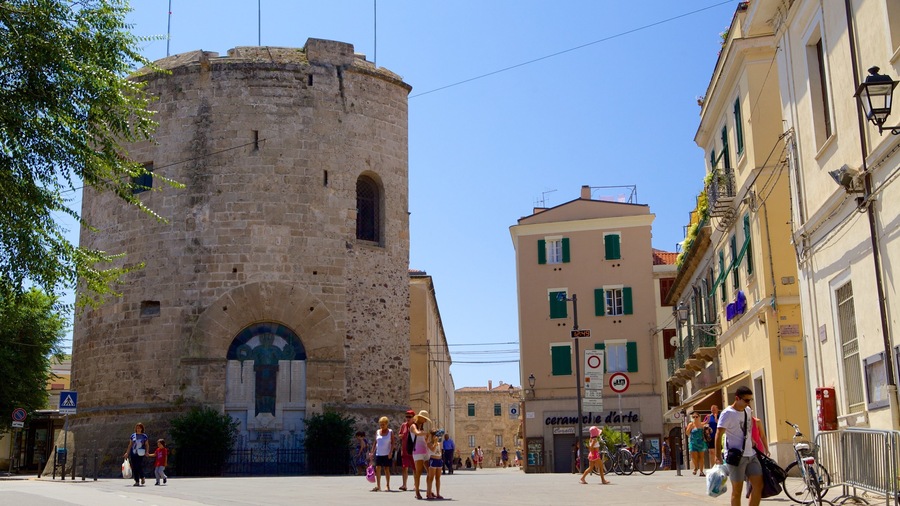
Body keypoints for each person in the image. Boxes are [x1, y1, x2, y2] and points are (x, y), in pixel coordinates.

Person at [714, 386, 763, 506]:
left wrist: (751, 439)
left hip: (751, 454)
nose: (748, 403)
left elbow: (746, 429)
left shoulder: (747, 411)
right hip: (736, 457)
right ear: (737, 398)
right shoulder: (727, 413)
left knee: (758, 485)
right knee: (737, 491)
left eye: (750, 400)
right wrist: (718, 456)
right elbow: (718, 434)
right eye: (746, 400)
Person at [410, 410, 431, 500]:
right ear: (420, 417)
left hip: (425, 451)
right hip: (417, 451)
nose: (425, 421)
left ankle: (429, 491)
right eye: (424, 419)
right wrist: (426, 433)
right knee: (418, 472)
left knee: (430, 471)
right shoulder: (413, 426)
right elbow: (417, 433)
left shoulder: (422, 428)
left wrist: (428, 437)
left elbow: (424, 440)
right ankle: (417, 491)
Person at [123, 422, 150, 487]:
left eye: (139, 428)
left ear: (141, 429)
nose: (138, 429)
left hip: (140, 453)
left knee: (138, 465)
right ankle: (137, 481)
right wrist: (127, 452)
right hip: (133, 453)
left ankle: (142, 477)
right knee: (134, 467)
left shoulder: (144, 436)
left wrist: (147, 452)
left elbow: (147, 445)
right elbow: (130, 445)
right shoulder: (133, 436)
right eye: (137, 428)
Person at [398, 409, 415, 491]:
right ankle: (404, 485)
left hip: (413, 450)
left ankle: (416, 484)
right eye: (407, 416)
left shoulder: (415, 426)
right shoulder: (403, 425)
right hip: (404, 450)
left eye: (409, 417)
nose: (407, 418)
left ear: (413, 417)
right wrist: (401, 436)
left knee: (415, 468)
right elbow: (400, 434)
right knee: (404, 468)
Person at [687, 411, 708, 476]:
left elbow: (707, 422)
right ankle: (696, 467)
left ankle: (701, 471)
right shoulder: (691, 424)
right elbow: (687, 433)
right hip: (693, 443)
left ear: (699, 417)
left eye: (696, 417)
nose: (695, 418)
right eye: (693, 417)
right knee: (694, 457)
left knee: (701, 457)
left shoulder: (702, 424)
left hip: (701, 442)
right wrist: (690, 432)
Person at [426, 429, 444, 499]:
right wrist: (435, 443)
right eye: (435, 435)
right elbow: (433, 449)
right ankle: (429, 493)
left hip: (439, 460)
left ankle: (438, 493)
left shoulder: (439, 443)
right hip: (433, 460)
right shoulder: (429, 443)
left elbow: (440, 451)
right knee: (431, 478)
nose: (436, 437)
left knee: (438, 478)